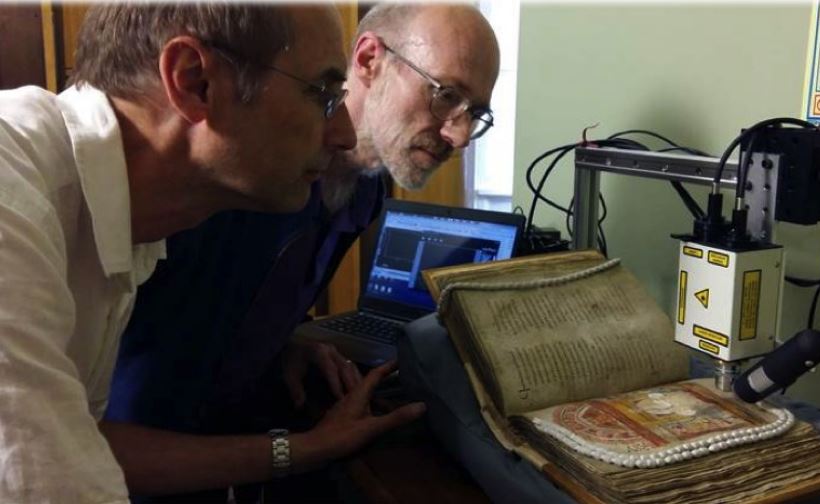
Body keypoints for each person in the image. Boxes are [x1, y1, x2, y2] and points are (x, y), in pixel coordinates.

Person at [0, 3, 424, 502]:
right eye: (323, 94)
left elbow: (83, 446)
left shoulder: (126, 223)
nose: (345, 135)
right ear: (195, 82)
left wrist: (304, 442)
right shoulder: (13, 195)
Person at [103, 3, 500, 502]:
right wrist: (301, 450)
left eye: (475, 113)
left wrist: (283, 340)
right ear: (369, 59)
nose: (459, 136)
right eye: (445, 95)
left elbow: (230, 303)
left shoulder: (367, 191)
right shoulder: (240, 173)